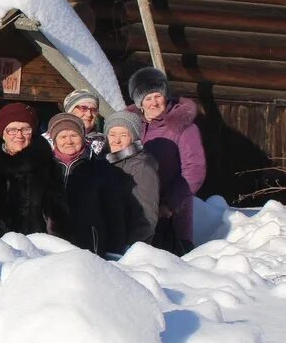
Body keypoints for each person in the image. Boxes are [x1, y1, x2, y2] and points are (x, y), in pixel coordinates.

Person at [127, 67, 206, 254]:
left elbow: (194, 171)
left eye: (157, 95)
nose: (154, 102)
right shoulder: (130, 127)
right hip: (136, 212)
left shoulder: (182, 127)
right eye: (147, 98)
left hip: (171, 215)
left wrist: (169, 205)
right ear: (139, 103)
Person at [47, 113, 125, 257]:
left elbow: (114, 214)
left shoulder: (101, 168)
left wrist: (114, 251)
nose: (69, 141)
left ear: (83, 137)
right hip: (49, 247)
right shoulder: (44, 168)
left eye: (74, 136)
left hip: (89, 248)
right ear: (54, 140)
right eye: (63, 137)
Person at [0, 103, 65, 236]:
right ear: (2, 133)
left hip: (37, 245)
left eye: (26, 129)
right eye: (12, 130)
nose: (19, 135)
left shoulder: (46, 165)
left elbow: (58, 215)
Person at [103, 110, 161, 248]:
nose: (116, 140)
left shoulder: (141, 167)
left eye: (123, 135)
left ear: (133, 137)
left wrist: (132, 249)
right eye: (112, 134)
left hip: (126, 248)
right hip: (110, 242)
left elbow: (147, 216)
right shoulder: (106, 161)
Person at [44, 90, 106, 157]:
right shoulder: (48, 140)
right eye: (83, 108)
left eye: (93, 110)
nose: (89, 114)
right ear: (70, 112)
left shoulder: (104, 142)